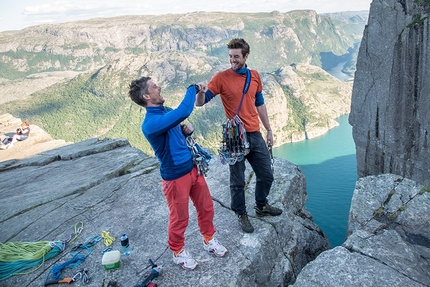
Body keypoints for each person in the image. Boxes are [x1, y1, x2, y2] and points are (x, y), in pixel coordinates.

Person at [128, 77, 227, 270]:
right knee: (180, 218)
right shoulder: (151, 123)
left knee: (206, 207)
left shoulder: (167, 112)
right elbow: (185, 110)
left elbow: (174, 129)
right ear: (146, 96)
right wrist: (193, 88)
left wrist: (184, 131)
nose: (159, 86)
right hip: (174, 177)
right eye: (154, 86)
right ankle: (177, 251)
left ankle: (209, 240)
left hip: (192, 169)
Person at [195, 38, 282, 233]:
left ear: (246, 56)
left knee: (266, 175)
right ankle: (241, 213)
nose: (233, 60)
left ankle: (261, 206)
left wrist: (268, 130)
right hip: (235, 137)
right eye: (230, 57)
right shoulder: (221, 78)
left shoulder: (254, 76)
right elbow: (201, 102)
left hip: (255, 133)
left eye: (236, 57)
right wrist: (200, 92)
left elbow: (259, 103)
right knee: (238, 180)